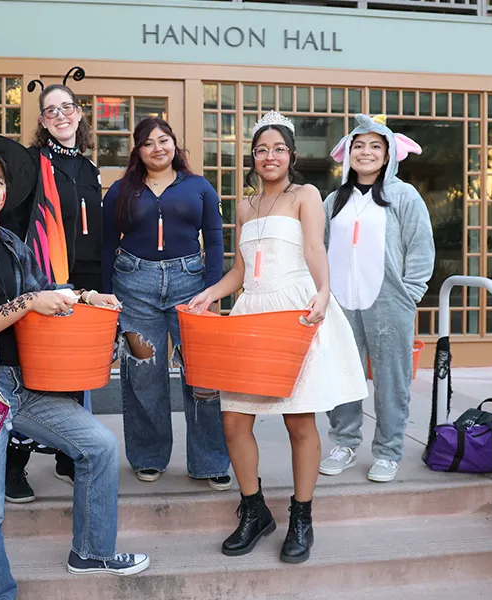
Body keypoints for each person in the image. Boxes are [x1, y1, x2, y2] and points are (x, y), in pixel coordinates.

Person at [0, 133, 150, 600]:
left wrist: (84, 297)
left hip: (21, 385)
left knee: (100, 446)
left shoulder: (8, 242)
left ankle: (91, 551)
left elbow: (46, 289)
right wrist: (28, 301)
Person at [188, 111, 367, 563]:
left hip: (294, 311)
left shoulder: (306, 194)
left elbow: (314, 249)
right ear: (252, 156)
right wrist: (210, 294)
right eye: (262, 149)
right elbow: (241, 270)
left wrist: (324, 293)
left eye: (279, 149)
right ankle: (254, 510)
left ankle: (301, 517)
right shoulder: (245, 205)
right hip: (252, 310)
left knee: (298, 420)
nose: (270, 156)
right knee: (234, 419)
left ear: (291, 155)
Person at [102, 117, 231, 489]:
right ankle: (148, 456)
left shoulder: (199, 187)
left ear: (175, 144)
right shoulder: (120, 191)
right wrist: (106, 296)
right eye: (148, 143)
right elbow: (108, 244)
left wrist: (210, 291)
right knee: (143, 373)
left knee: (202, 373)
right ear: (138, 151)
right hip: (133, 285)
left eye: (164, 140)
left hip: (189, 284)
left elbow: (216, 242)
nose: (158, 148)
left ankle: (209, 460)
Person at [0, 67, 103, 502]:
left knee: (73, 369)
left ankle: (67, 456)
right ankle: (14, 466)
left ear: (80, 114)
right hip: (41, 278)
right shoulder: (29, 164)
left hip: (87, 281)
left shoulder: (90, 166)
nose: (60, 116)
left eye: (67, 108)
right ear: (42, 120)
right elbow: (13, 224)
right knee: (35, 372)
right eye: (50, 111)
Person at [319, 114, 435, 484]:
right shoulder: (334, 199)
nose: (365, 153)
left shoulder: (404, 195)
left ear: (388, 155)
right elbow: (319, 247)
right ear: (346, 154)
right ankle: (344, 442)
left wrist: (409, 294)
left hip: (389, 301)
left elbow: (420, 247)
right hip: (340, 303)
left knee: (391, 380)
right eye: (358, 146)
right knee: (341, 376)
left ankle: (388, 451)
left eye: (375, 146)